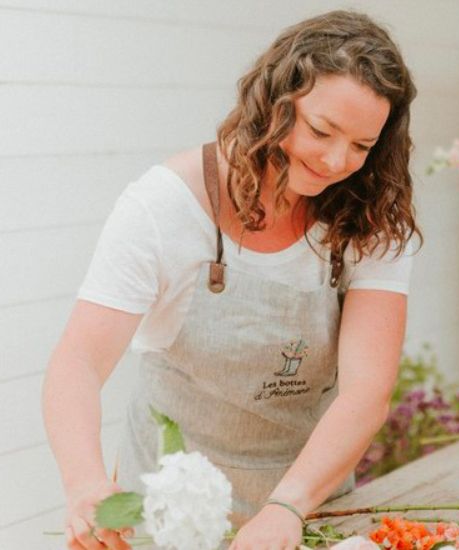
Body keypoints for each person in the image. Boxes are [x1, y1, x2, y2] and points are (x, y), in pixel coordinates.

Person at [41, 10, 419, 550]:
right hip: (166, 523)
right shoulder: (164, 207)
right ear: (274, 99)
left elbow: (366, 391)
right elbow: (78, 361)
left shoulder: (372, 217)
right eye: (320, 130)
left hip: (307, 513)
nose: (337, 160)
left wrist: (286, 508)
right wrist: (84, 484)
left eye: (361, 146)